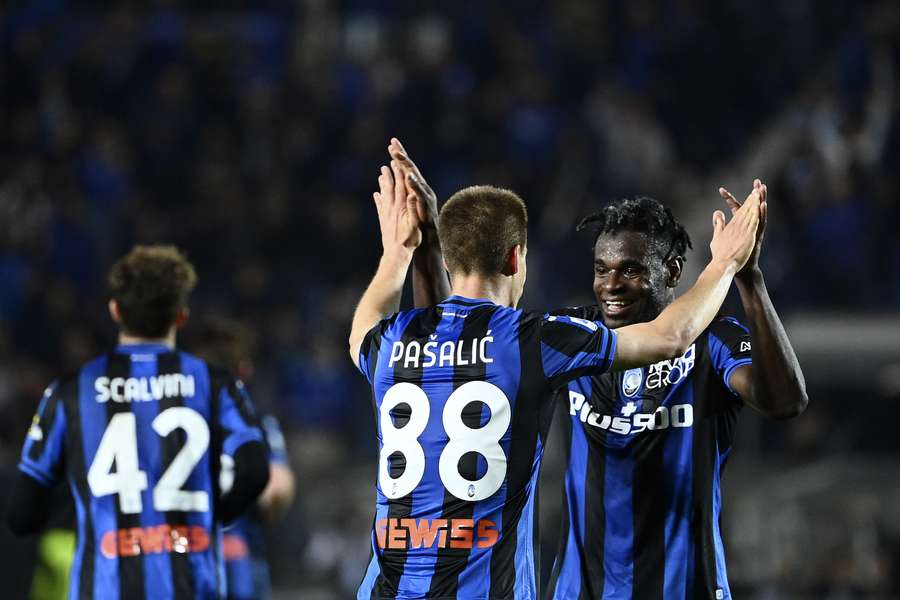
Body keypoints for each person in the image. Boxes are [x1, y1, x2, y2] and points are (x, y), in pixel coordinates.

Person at [347, 138, 761, 599]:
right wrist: (726, 262)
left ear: (448, 260)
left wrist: (399, 253)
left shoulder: (387, 343)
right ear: (515, 257)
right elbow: (670, 336)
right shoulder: (532, 341)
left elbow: (363, 328)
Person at [544, 188, 807, 600]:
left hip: (685, 589)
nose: (611, 285)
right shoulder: (575, 337)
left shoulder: (713, 341)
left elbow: (785, 402)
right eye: (601, 269)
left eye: (630, 270)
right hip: (580, 592)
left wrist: (749, 278)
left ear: (673, 270)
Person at [6, 245, 270, 600]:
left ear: (115, 311)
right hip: (192, 584)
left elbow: (22, 513)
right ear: (181, 316)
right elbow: (255, 471)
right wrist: (213, 515)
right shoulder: (215, 383)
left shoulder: (71, 392)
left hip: (105, 587)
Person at [188, 317, 296, 600]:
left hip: (181, 555)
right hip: (239, 554)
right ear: (245, 370)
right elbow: (278, 489)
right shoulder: (255, 422)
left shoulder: (171, 423)